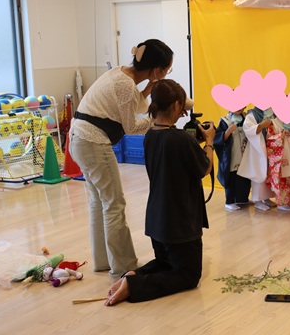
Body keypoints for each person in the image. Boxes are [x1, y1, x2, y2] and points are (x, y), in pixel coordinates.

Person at [105, 79, 215, 305]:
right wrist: (210, 142)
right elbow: (204, 168)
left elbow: (176, 156)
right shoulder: (181, 139)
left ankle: (132, 276)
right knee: (188, 276)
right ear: (176, 105)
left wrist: (193, 143)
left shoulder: (150, 136)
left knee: (167, 264)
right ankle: (134, 286)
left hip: (158, 221)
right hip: (180, 223)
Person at [69, 39, 173, 276]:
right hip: (93, 143)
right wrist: (158, 119)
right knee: (114, 204)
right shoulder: (125, 84)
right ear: (157, 69)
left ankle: (104, 261)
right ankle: (124, 267)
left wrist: (148, 88)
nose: (166, 73)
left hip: (79, 139)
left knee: (99, 202)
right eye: (167, 69)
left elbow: (129, 105)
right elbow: (131, 127)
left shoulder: (120, 73)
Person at [237, 107, 277, 211]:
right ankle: (258, 200)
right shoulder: (252, 114)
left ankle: (266, 197)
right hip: (258, 147)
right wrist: (262, 125)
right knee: (259, 172)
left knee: (268, 172)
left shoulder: (271, 111)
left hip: (271, 146)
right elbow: (248, 129)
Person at [213, 108, 251, 211]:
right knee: (231, 177)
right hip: (232, 155)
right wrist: (228, 131)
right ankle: (229, 201)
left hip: (244, 153)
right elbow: (218, 139)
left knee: (244, 177)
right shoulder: (225, 121)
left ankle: (243, 199)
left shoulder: (246, 118)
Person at [266, 111, 290, 211]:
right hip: (281, 155)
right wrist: (280, 137)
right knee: (283, 179)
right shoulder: (273, 123)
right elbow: (269, 140)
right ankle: (282, 204)